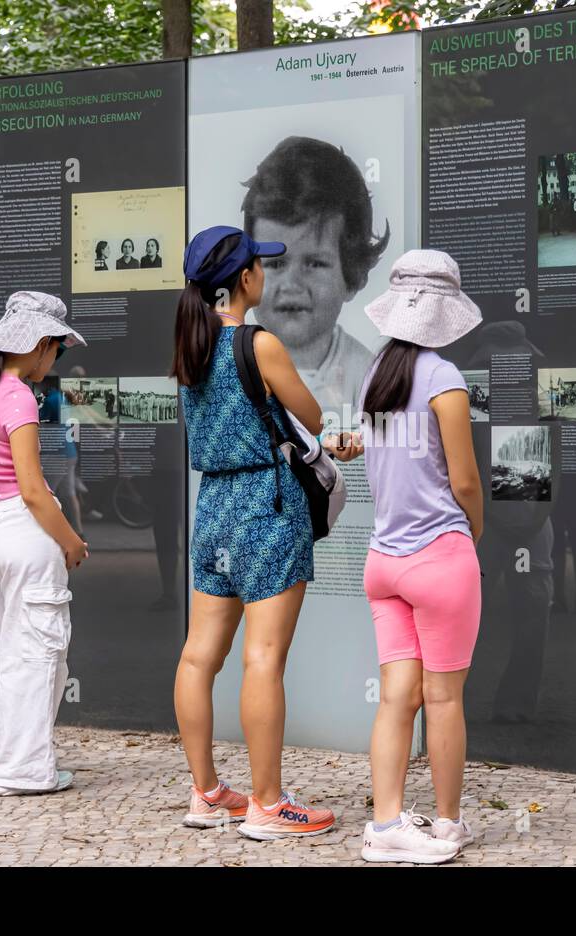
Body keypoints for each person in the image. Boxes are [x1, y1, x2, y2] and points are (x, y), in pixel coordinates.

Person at [172, 224, 335, 839]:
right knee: (263, 658)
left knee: (198, 656)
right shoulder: (259, 343)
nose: (266, 274)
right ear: (244, 278)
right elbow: (311, 416)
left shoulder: (190, 345)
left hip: (213, 504)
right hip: (264, 505)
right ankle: (269, 804)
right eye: (259, 267)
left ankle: (207, 792)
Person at [325, 250, 484, 865]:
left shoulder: (375, 378)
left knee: (396, 698)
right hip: (439, 557)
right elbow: (465, 481)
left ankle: (386, 822)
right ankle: (446, 825)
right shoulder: (444, 380)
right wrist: (475, 533)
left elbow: (386, 451)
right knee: (443, 700)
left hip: (383, 562)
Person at [0, 290, 90, 796]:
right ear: (39, 343)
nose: (56, 359)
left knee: (3, 647)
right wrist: (73, 542)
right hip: (24, 532)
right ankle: (24, 770)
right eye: (57, 348)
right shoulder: (17, 396)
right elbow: (34, 490)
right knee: (37, 652)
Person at [243, 136, 390, 416]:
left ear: (353, 277)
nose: (292, 284)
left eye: (314, 264)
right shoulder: (228, 376)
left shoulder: (371, 383)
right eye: (275, 264)